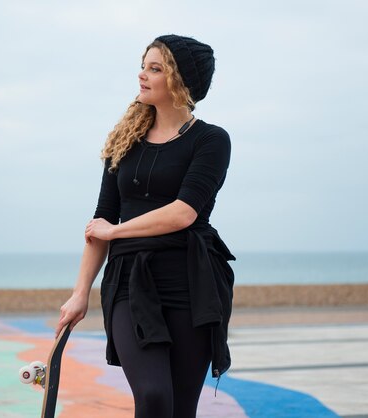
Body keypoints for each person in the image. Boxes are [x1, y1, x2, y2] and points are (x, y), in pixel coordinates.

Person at [55, 34, 235, 418]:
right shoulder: (124, 141)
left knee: (180, 408)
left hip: (192, 282)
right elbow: (100, 219)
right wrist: (80, 292)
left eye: (155, 68)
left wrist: (115, 231)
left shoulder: (211, 140)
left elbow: (183, 213)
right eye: (143, 65)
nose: (142, 75)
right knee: (153, 396)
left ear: (181, 80)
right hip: (130, 284)